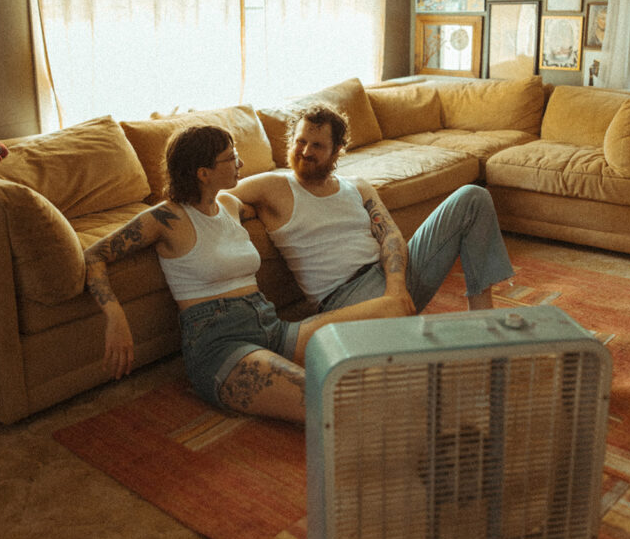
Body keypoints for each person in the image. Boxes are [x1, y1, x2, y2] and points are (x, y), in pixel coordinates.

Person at [84, 124, 410, 425]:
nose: (240, 163)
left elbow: (274, 204)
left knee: (395, 306)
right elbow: (94, 255)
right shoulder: (164, 218)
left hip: (272, 328)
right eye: (231, 158)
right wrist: (115, 316)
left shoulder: (229, 204)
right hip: (221, 346)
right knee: (333, 399)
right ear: (203, 172)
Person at [229, 103, 514, 317]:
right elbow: (218, 198)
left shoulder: (358, 187)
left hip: (394, 276)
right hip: (345, 298)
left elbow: (390, 235)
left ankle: (482, 317)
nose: (305, 152)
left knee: (473, 197)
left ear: (338, 149)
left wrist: (396, 287)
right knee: (421, 353)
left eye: (317, 145)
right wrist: (247, 209)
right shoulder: (273, 186)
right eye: (300, 142)